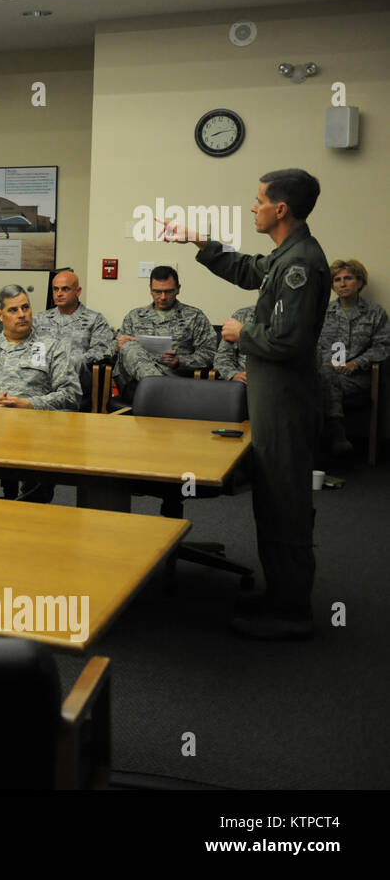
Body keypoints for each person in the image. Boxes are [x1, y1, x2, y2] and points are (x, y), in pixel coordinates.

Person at [159, 168, 329, 640]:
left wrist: (240, 334)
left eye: (258, 201)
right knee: (273, 499)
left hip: (287, 402)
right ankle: (281, 594)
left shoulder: (301, 264)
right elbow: (249, 270)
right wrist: (199, 242)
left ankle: (292, 612)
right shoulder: (286, 255)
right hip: (273, 398)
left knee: (287, 505)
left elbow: (290, 341)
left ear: (281, 209)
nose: (252, 207)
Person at [0, 285, 80, 502]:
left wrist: (30, 404)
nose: (22, 315)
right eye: (13, 310)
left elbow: (71, 393)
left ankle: (29, 509)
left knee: (43, 465)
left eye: (25, 308)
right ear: (0, 315)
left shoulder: (50, 347)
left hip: (33, 429)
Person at [316, 258, 390, 456]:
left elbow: (383, 346)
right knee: (323, 377)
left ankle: (330, 438)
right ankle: (336, 433)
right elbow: (315, 346)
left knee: (322, 383)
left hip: (358, 377)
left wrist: (356, 363)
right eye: (337, 280)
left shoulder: (375, 313)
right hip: (326, 372)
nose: (342, 283)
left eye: (348, 278)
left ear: (359, 281)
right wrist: (329, 364)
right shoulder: (323, 312)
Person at [113, 266, 216, 398]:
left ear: (178, 289)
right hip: (136, 384)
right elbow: (112, 353)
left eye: (168, 292)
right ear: (150, 289)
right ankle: (159, 388)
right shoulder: (135, 316)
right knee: (128, 347)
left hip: (175, 380)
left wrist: (180, 361)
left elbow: (210, 354)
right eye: (157, 292)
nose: (162, 297)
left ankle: (157, 389)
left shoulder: (194, 316)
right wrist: (117, 346)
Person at [32, 268, 116, 407]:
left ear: (78, 291)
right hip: (41, 378)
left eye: (65, 289)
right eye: (55, 289)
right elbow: (29, 346)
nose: (59, 293)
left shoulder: (94, 319)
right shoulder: (41, 319)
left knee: (75, 359)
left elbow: (102, 350)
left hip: (77, 380)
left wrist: (72, 361)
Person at [214, 306, 256, 384]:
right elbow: (222, 356)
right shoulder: (243, 315)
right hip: (243, 383)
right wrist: (233, 375)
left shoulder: (284, 319)